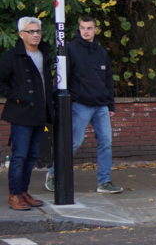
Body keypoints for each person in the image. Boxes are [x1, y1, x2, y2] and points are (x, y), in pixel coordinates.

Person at [44, 16, 122, 194]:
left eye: (89, 28)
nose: (85, 31)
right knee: (73, 143)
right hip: (80, 105)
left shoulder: (101, 52)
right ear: (78, 29)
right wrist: (62, 101)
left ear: (95, 30)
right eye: (82, 28)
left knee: (106, 143)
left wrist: (110, 105)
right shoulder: (71, 49)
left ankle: (104, 182)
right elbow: (63, 77)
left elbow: (107, 80)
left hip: (101, 105)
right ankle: (54, 174)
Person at [1, 17, 52, 210]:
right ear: (21, 34)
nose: (36, 35)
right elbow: (2, 82)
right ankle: (14, 195)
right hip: (21, 113)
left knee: (32, 156)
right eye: (31, 31)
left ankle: (23, 191)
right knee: (20, 155)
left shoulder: (44, 54)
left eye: (38, 31)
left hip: (40, 113)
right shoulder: (12, 56)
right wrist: (18, 97)